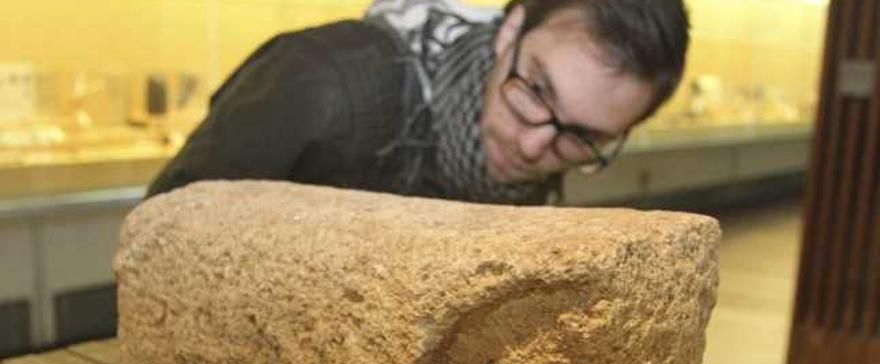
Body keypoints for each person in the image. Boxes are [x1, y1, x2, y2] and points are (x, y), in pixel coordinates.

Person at [146, 0, 690, 205]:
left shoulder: (545, 127)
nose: (531, 145)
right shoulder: (323, 80)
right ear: (511, 29)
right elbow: (163, 234)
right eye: (537, 89)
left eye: (584, 137)